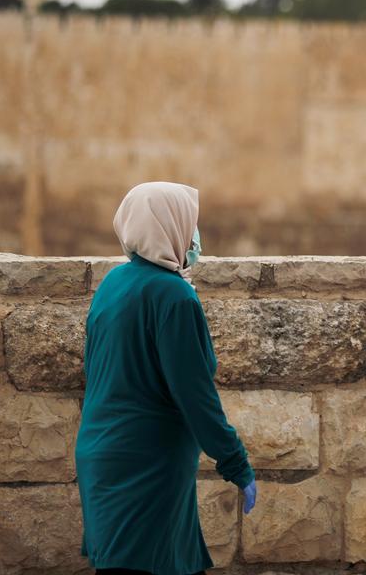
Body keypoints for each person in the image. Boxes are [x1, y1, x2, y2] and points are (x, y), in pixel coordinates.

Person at [75, 182, 257, 575]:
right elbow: (195, 396)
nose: (195, 237)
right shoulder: (174, 297)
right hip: (147, 463)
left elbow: (95, 370)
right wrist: (236, 464)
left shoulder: (112, 285)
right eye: (191, 226)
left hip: (103, 454)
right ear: (168, 226)